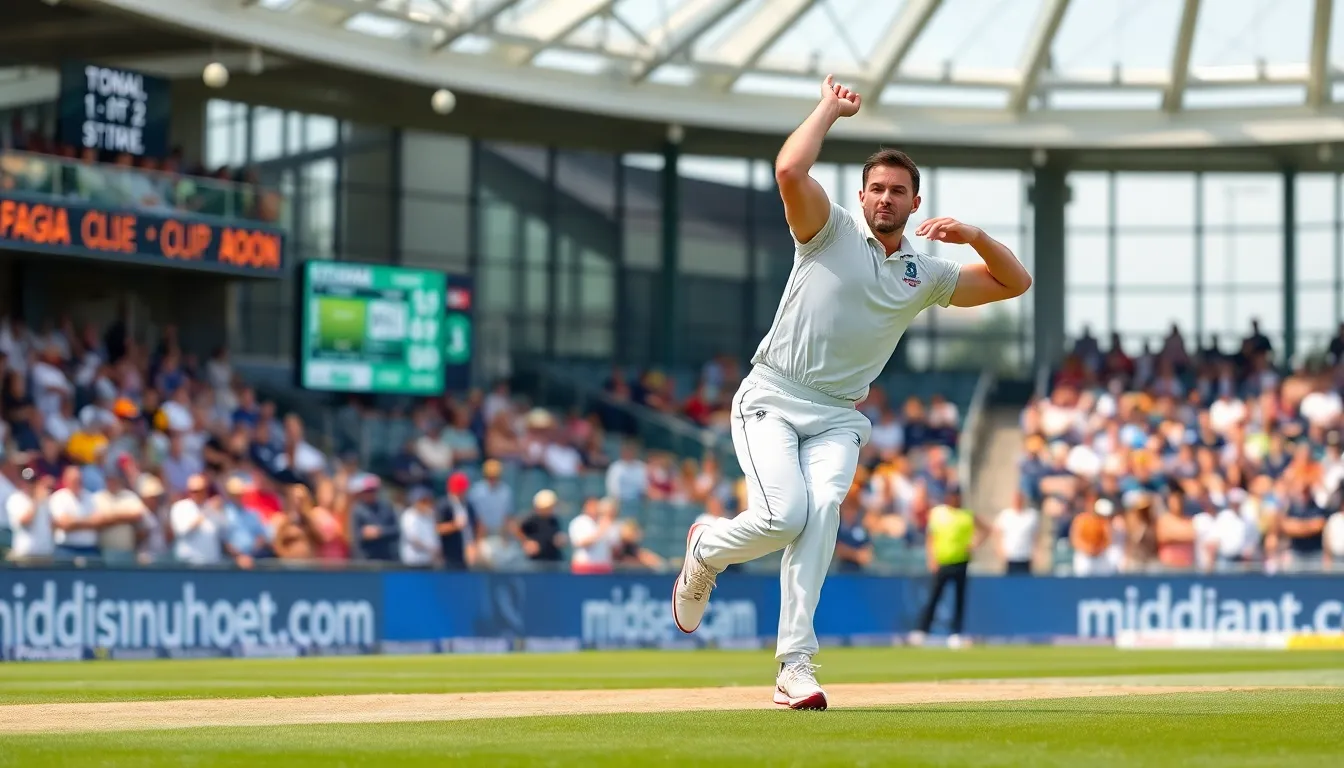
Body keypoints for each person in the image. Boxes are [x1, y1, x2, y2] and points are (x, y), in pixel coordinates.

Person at [671, 74, 1031, 710]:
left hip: (838, 414)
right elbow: (788, 170)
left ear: (915, 204)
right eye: (877, 189)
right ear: (861, 196)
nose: (886, 199)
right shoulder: (827, 230)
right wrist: (827, 111)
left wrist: (974, 237)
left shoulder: (925, 273)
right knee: (785, 516)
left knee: (824, 512)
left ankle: (794, 665)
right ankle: (706, 549)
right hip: (772, 398)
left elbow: (1014, 283)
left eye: (898, 192)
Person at [911, 486, 989, 649]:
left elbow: (986, 529)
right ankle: (922, 630)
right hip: (942, 561)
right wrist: (931, 558)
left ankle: (956, 633)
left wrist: (974, 544)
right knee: (934, 597)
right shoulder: (938, 513)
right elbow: (931, 537)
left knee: (959, 599)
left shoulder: (966, 515)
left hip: (961, 561)